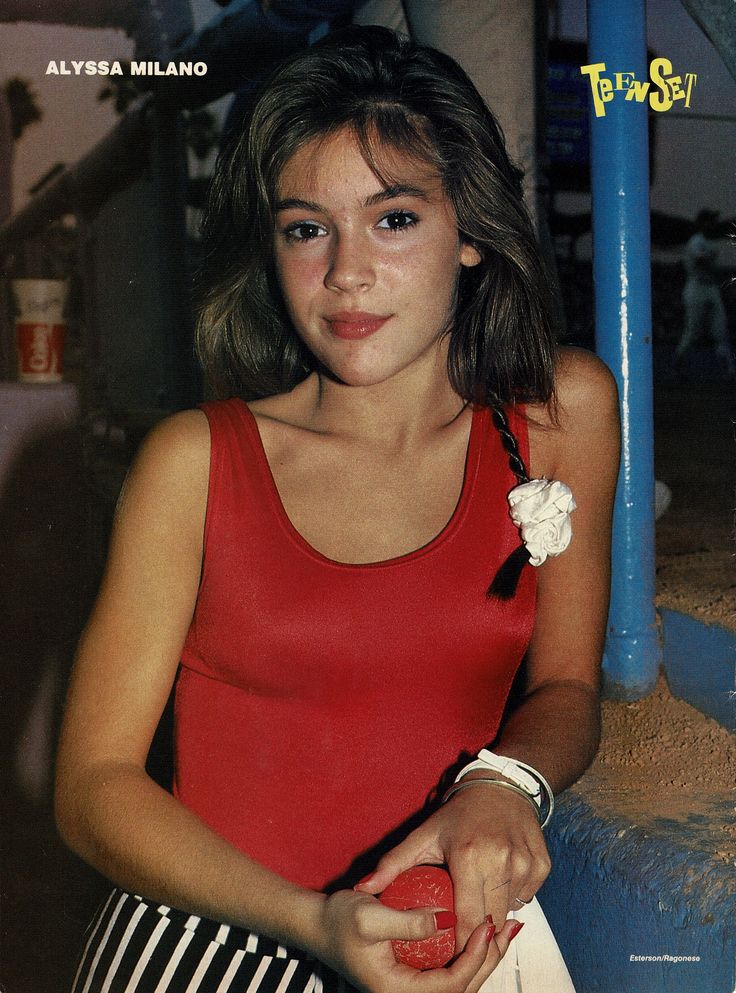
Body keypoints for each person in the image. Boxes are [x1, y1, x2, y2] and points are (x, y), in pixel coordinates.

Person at [55, 26, 619, 993]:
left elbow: (566, 688)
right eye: (306, 228)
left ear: (472, 228)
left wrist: (505, 782)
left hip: (447, 953)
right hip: (203, 946)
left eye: (393, 219)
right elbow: (91, 789)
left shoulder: (557, 416)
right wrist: (311, 921)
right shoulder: (196, 463)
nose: (345, 274)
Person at [675, 208, 736, 381]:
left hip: (711, 287)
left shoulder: (712, 243)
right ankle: (679, 363)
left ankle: (728, 369)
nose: (713, 224)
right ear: (702, 223)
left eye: (713, 220)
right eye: (710, 220)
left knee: (720, 327)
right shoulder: (696, 241)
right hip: (695, 287)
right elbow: (701, 260)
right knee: (693, 329)